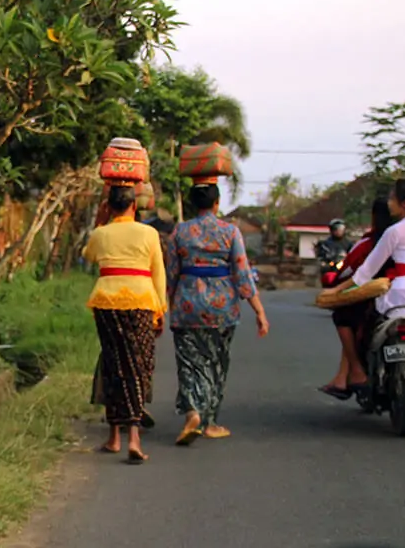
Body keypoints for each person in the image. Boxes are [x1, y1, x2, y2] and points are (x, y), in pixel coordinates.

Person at [166, 182, 270, 446]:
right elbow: (243, 275)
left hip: (187, 306)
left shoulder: (180, 231)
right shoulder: (230, 232)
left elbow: (171, 275)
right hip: (222, 308)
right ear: (217, 203)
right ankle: (210, 422)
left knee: (189, 364)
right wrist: (259, 311)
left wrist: (169, 304)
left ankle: (192, 413)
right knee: (216, 363)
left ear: (192, 204)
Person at [322, 179, 405, 392]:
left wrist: (336, 290)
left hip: (397, 291)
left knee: (368, 319)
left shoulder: (395, 231)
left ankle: (358, 371)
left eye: (392, 198)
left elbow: (364, 273)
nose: (389, 202)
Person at [82, 184, 168, 464]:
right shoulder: (149, 233)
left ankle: (114, 437)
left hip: (107, 302)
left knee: (114, 364)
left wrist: (99, 223)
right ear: (134, 206)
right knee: (138, 365)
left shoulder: (100, 233)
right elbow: (158, 274)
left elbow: (88, 256)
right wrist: (160, 310)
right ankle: (134, 437)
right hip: (141, 301)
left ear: (109, 206)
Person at [319, 198, 395, 400]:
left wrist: (337, 289)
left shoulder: (370, 242)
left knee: (344, 317)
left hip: (373, 297)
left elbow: (350, 271)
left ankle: (355, 371)